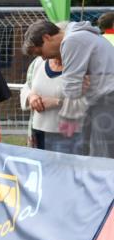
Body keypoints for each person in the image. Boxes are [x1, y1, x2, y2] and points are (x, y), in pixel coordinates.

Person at [23, 18, 114, 158]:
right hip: (103, 102)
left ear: (46, 37)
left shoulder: (71, 41)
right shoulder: (80, 35)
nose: (43, 58)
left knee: (101, 161)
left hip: (106, 103)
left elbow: (72, 88)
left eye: (40, 52)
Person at [20, 52, 83, 154]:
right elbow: (27, 86)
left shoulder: (80, 66)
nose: (40, 51)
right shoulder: (37, 62)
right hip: (39, 132)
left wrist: (57, 102)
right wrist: (31, 97)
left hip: (70, 136)